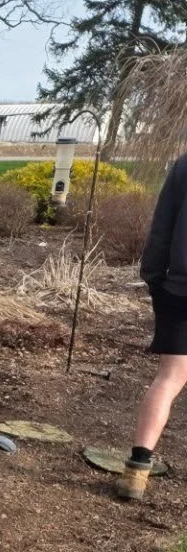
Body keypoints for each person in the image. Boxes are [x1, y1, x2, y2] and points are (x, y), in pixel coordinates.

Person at [119, 150, 187, 501]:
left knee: (169, 378)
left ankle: (137, 470)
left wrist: (154, 278)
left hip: (179, 289)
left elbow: (162, 226)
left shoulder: (185, 165)